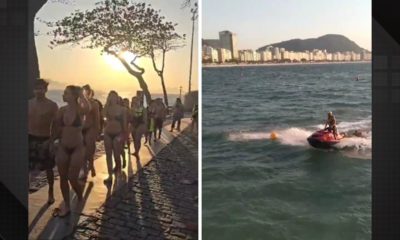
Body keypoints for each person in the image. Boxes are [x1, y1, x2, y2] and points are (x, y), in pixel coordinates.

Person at [52, 85, 90, 217]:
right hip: (63, 146)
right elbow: (56, 127)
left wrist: (81, 95)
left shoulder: (80, 110)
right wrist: (51, 141)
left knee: (72, 178)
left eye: (66, 93)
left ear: (74, 96)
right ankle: (67, 206)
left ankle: (79, 195)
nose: (63, 95)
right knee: (63, 177)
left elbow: (88, 107)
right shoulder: (62, 110)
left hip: (77, 147)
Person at [28, 79, 58, 205]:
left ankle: (50, 191)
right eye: (36, 88)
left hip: (45, 138)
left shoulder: (52, 105)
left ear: (45, 90)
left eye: (41, 88)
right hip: (29, 138)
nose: (38, 91)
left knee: (48, 168)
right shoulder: (28, 103)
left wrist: (51, 141)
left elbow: (57, 125)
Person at [103, 91, 127, 182]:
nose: (112, 98)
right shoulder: (107, 108)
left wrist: (124, 136)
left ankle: (119, 172)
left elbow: (124, 124)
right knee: (108, 155)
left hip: (118, 133)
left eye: (114, 96)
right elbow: (103, 115)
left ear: (117, 98)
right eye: (110, 96)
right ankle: (109, 175)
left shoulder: (122, 109)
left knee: (117, 155)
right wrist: (106, 103)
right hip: (108, 133)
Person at [81, 84, 100, 179]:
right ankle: (84, 171)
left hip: (90, 128)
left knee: (90, 150)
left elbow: (97, 119)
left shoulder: (94, 104)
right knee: (82, 152)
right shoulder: (79, 103)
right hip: (81, 129)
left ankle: (91, 164)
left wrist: (97, 131)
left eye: (86, 91)